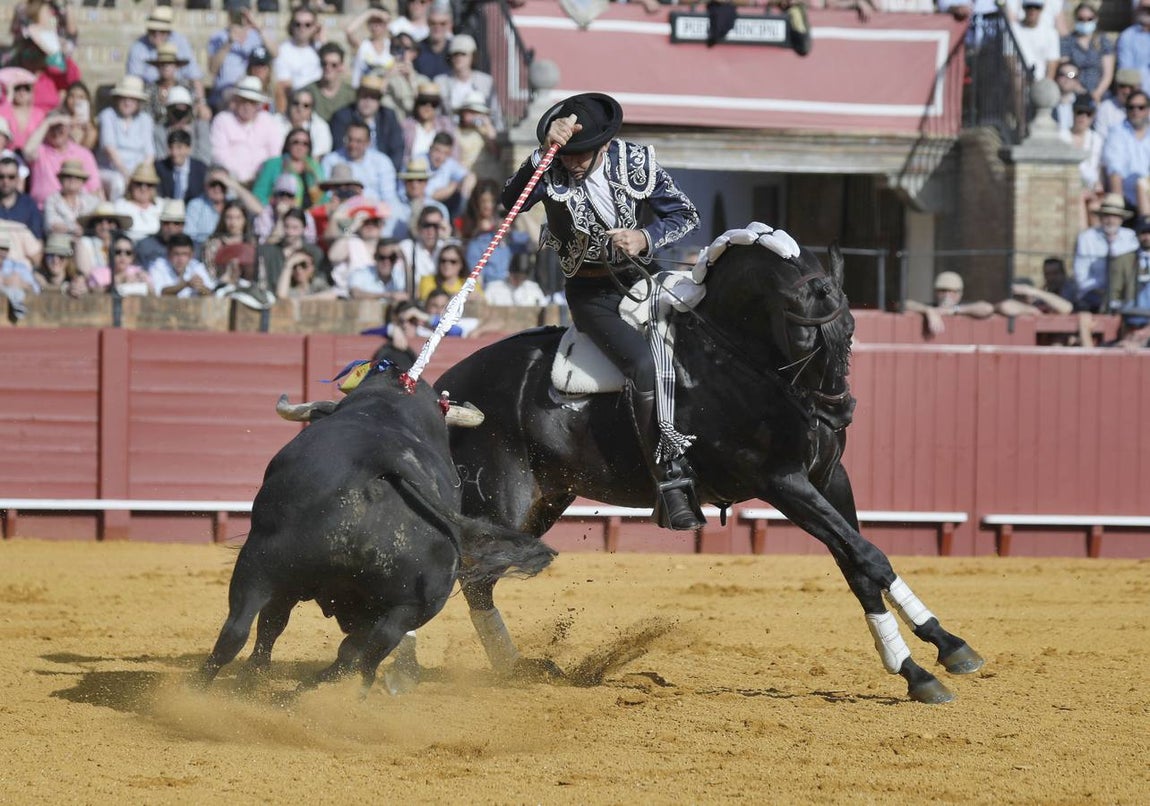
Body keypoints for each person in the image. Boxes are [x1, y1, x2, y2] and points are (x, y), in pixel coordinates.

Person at [503, 92, 702, 529]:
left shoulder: (635, 162)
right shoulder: (550, 166)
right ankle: (669, 484)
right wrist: (541, 153)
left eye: (582, 154)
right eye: (567, 154)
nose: (573, 163)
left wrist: (645, 237)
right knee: (645, 365)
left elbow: (685, 214)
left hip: (647, 279)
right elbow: (510, 200)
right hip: (593, 295)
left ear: (605, 146)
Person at [125, 5, 206, 110]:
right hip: (150, 97)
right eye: (153, 30)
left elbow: (194, 77)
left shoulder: (181, 42)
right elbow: (134, 81)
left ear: (169, 31)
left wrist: (201, 104)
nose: (157, 34)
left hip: (180, 97)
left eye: (162, 31)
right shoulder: (138, 47)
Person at [1072, 192, 1139, 311]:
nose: (1111, 220)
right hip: (1094, 294)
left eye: (1115, 216)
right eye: (1107, 215)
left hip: (1124, 295)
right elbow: (1081, 277)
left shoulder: (1130, 237)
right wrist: (1101, 291)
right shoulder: (1087, 237)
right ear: (1101, 217)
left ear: (1121, 219)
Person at [209, 77, 283, 185]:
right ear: (236, 101)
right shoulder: (223, 120)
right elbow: (219, 156)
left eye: (252, 102)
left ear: (258, 104)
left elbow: (275, 155)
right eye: (244, 101)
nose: (247, 106)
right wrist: (242, 178)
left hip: (262, 183)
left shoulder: (268, 121)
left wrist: (261, 178)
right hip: (231, 182)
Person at [321, 120, 401, 219]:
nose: (353, 145)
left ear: (368, 142)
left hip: (373, 214)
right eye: (350, 139)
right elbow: (325, 193)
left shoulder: (382, 161)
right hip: (339, 212)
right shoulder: (331, 160)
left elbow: (388, 197)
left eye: (358, 141)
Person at [328, 73, 406, 171]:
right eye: (364, 96)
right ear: (357, 96)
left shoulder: (388, 116)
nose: (368, 101)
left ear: (379, 100)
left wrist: (389, 172)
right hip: (351, 169)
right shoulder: (342, 117)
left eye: (373, 97)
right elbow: (339, 149)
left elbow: (397, 149)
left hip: (382, 172)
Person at [23, 113, 101, 208]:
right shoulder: (40, 151)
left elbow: (95, 189)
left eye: (61, 128)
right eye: (52, 127)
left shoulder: (83, 154)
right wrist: (47, 122)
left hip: (77, 208)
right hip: (44, 209)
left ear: (69, 129)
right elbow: (27, 152)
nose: (56, 132)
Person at [96, 75, 155, 201]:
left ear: (138, 102)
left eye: (132, 99)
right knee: (118, 183)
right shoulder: (108, 115)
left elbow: (149, 153)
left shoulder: (145, 120)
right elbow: (109, 148)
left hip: (137, 171)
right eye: (124, 98)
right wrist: (127, 175)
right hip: (111, 170)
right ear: (118, 99)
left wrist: (141, 175)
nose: (127, 102)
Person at [206, 6, 274, 113]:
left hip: (253, 88)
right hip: (226, 92)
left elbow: (276, 53)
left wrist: (257, 26)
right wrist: (229, 42)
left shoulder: (257, 35)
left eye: (244, 13)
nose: (240, 17)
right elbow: (212, 69)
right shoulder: (218, 37)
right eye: (236, 13)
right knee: (232, 98)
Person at [434, 34, 503, 131]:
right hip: (451, 134)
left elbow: (495, 113)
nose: (459, 58)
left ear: (473, 56)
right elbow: (437, 115)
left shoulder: (485, 81)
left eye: (463, 54)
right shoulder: (441, 82)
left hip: (481, 133)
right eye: (455, 54)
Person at [1102, 89, 1150, 212]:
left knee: (1143, 184)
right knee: (1140, 184)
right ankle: (1145, 225)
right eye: (1131, 107)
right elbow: (1114, 170)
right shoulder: (1117, 132)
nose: (1136, 111)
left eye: (1141, 107)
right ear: (1126, 109)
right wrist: (1119, 206)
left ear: (1148, 110)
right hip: (1127, 191)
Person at [904, 271, 995, 335]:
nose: (947, 295)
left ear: (960, 294)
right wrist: (929, 310)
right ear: (935, 292)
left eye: (952, 291)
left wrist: (953, 310)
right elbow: (903, 304)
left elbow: (987, 308)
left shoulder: (963, 308)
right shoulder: (931, 307)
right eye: (942, 291)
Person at [1061, 3, 1114, 106]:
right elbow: (1066, 69)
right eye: (1081, 19)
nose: (1085, 22)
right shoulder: (1067, 42)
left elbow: (1108, 74)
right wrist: (1075, 84)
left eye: (1089, 19)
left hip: (1099, 93)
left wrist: (1097, 93)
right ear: (1075, 19)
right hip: (1074, 92)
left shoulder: (1103, 41)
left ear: (1096, 19)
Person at [274, 5, 323, 113]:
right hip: (295, 106)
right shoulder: (283, 50)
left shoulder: (320, 49)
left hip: (319, 105)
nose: (302, 28)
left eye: (308, 25)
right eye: (298, 24)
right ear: (291, 26)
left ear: (315, 27)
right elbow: (283, 87)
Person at [74, 202, 132, 291]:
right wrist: (118, 279)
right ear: (93, 224)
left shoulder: (123, 244)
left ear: (116, 225)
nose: (105, 226)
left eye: (109, 221)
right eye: (99, 222)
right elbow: (87, 275)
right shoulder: (84, 243)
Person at [254, 174, 319, 243]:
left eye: (289, 195)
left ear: (294, 198)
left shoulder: (304, 215)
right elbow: (265, 245)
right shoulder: (266, 213)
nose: (285, 198)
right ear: (275, 196)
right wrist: (281, 217)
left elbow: (311, 242)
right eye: (281, 194)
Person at [42, 158, 97, 239]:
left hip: (85, 243)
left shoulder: (92, 201)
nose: (72, 180)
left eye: (77, 177)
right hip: (60, 245)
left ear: (82, 181)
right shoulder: (52, 200)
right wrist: (75, 229)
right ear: (61, 179)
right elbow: (52, 225)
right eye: (68, 176)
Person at [401, 82, 455, 165]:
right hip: (412, 173)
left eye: (433, 104)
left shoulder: (445, 125)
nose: (428, 107)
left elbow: (454, 153)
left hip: (439, 173)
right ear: (417, 104)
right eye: (423, 102)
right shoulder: (406, 125)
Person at [150, 232, 215, 297]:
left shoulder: (198, 267)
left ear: (191, 254)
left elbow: (212, 295)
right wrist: (185, 284)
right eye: (176, 254)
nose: (180, 259)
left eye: (184, 254)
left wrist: (201, 288)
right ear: (169, 254)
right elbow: (160, 293)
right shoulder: (158, 266)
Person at [304, 42, 357, 123]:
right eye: (324, 64)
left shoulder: (351, 95)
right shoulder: (308, 92)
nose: (328, 68)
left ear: (341, 66)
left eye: (334, 65)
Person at [113, 162, 163, 243]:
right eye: (139, 183)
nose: (143, 188)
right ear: (131, 185)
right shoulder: (121, 205)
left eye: (149, 184)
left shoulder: (161, 205)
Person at [1010, 0, 1061, 81]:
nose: (1032, 10)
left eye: (1037, 7)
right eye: (1029, 7)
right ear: (1023, 8)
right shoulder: (1012, 30)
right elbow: (1009, 59)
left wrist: (1045, 86)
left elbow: (1052, 63)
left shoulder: (1051, 33)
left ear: (1042, 9)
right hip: (1017, 80)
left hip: (1040, 82)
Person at [347, 235, 408, 301]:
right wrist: (388, 295)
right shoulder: (361, 273)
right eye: (382, 257)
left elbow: (412, 294)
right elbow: (355, 293)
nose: (386, 262)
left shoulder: (400, 275)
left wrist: (405, 260)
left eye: (391, 258)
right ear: (375, 257)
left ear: (396, 259)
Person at [276, 88, 333, 159]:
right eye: (296, 103)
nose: (300, 108)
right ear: (289, 104)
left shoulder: (320, 127)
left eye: (306, 105)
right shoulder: (275, 122)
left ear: (311, 109)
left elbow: (318, 157)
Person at [426, 131, 472, 217]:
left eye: (445, 153)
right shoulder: (420, 162)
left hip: (440, 210)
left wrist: (464, 195)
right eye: (437, 151)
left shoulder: (448, 163)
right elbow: (433, 195)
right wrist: (453, 186)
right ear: (430, 147)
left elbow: (470, 177)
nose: (440, 157)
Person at [346, 7, 395, 88]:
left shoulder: (392, 45)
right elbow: (349, 31)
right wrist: (370, 13)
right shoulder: (363, 45)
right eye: (372, 22)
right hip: (362, 92)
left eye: (379, 22)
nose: (375, 26)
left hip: (383, 95)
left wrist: (387, 19)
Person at [0, 68, 46, 152]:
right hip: (7, 156)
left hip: (32, 157)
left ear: (31, 92)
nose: (22, 92)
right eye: (17, 88)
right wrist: (9, 97)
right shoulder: (5, 109)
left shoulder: (39, 113)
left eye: (26, 88)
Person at [156, 130, 207, 204]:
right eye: (171, 147)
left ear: (188, 149)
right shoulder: (160, 167)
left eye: (179, 148)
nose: (174, 152)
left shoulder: (201, 169)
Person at [135, 199, 187, 272]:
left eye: (176, 223)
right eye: (166, 223)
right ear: (160, 223)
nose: (170, 227)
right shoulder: (144, 246)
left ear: (183, 226)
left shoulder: (192, 249)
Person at [0, 156, 44, 241]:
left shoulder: (29, 205)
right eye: (1, 176)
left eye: (11, 177)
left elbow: (38, 239)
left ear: (18, 178)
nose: (6, 181)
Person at [0, 230, 40, 319]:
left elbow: (36, 289)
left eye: (4, 249)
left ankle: (17, 303)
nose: (1, 252)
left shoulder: (18, 266)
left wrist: (20, 284)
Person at [36, 233, 88, 298]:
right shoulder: (38, 274)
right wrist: (65, 288)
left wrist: (82, 289)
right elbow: (42, 287)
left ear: (68, 259)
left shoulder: (75, 277)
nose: (55, 260)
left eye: (61, 256)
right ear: (44, 257)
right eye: (51, 255)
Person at [1096, 68, 1141, 141]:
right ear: (1116, 87)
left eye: (1131, 87)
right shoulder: (1106, 108)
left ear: (1139, 88)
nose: (1126, 91)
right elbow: (1100, 138)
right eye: (1122, 86)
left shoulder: (1146, 110)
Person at [413, 1, 453, 80]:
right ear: (427, 22)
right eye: (433, 23)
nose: (437, 27)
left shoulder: (454, 49)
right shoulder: (417, 49)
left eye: (442, 23)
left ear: (450, 24)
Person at [1117, 0, 1150, 94]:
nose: (1147, 12)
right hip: (1139, 96)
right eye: (1144, 8)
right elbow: (1126, 72)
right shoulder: (1127, 36)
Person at [484, 260, 548, 307]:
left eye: (522, 278)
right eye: (516, 277)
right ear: (509, 273)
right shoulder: (493, 288)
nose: (518, 280)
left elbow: (543, 306)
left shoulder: (533, 288)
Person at [58, 80, 98, 152]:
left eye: (81, 97)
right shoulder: (59, 120)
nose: (75, 100)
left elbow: (85, 151)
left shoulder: (90, 128)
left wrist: (87, 130)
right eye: (71, 96)